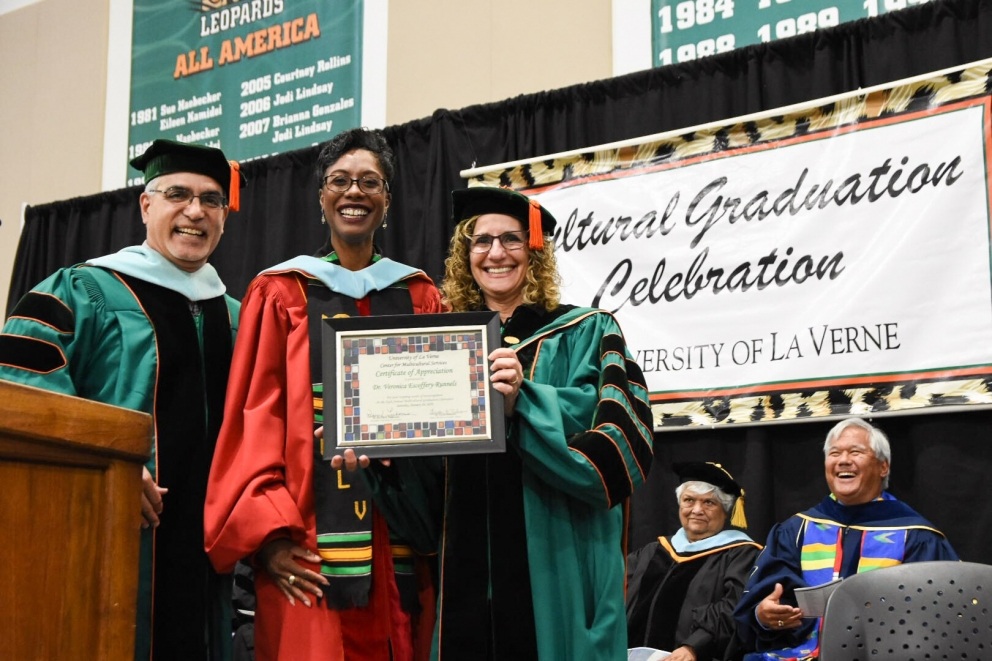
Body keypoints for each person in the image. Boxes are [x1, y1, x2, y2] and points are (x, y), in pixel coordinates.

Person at [339, 186, 655, 660]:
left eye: (510, 239)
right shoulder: (443, 349)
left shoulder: (588, 330)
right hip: (465, 588)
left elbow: (616, 454)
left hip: (556, 583)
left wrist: (522, 402)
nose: (495, 253)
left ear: (535, 252)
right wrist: (377, 458)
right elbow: (429, 520)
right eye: (480, 241)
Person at [203, 127, 442, 661]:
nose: (354, 192)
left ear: (387, 200)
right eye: (340, 181)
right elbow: (254, 416)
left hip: (400, 542)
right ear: (321, 197)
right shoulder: (281, 293)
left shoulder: (420, 295)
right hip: (309, 546)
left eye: (370, 182)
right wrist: (271, 539)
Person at [0, 138, 244, 660]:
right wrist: (108, 467)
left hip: (209, 556)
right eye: (178, 193)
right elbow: (20, 393)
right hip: (104, 536)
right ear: (146, 205)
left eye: (212, 200)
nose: (195, 211)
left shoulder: (241, 317)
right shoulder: (81, 291)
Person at [732, 417, 959, 661]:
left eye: (855, 452)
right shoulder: (797, 530)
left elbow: (941, 616)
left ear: (883, 467)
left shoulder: (916, 536)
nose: (843, 460)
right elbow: (757, 607)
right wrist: (764, 615)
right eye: (835, 453)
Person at [626, 462, 762, 661]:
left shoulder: (741, 555)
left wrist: (693, 647)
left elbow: (734, 607)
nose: (697, 510)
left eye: (709, 503)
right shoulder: (652, 551)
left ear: (725, 511)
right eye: (689, 500)